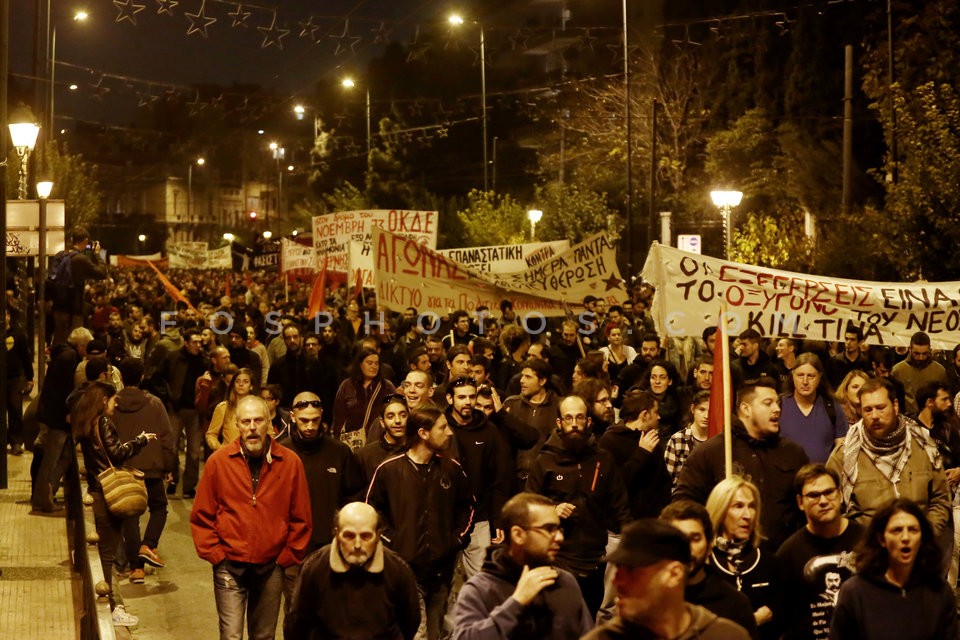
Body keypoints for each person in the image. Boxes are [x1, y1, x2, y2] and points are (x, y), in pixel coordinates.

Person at [190, 395, 312, 640]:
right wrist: (217, 556)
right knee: (231, 636)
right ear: (237, 425)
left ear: (270, 423)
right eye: (246, 422)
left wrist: (284, 559)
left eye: (258, 420)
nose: (252, 427)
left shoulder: (290, 463)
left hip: (271, 567)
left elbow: (301, 517)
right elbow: (202, 515)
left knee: (264, 637)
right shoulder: (219, 463)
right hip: (229, 567)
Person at [365, 407, 475, 640]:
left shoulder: (452, 469)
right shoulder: (389, 469)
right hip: (405, 567)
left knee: (436, 632)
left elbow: (468, 507)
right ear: (424, 433)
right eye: (443, 428)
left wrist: (456, 540)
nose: (450, 433)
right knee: (418, 633)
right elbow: (372, 511)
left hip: (441, 569)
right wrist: (393, 541)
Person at [674, 377, 809, 549]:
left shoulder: (793, 453)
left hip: (780, 559)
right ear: (746, 409)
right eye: (768, 403)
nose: (777, 409)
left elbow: (805, 506)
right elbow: (684, 506)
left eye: (777, 403)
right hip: (725, 559)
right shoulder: (711, 452)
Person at [526, 395, 630, 616]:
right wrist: (552, 511)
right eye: (569, 418)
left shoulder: (603, 459)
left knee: (587, 621)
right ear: (559, 423)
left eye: (580, 417)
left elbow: (620, 506)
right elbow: (528, 506)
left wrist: (633, 544)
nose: (574, 424)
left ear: (588, 421)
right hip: (557, 558)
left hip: (594, 560)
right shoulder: (544, 462)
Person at [452, 492, 594, 639]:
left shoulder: (565, 582)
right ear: (518, 535)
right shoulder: (480, 589)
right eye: (549, 529)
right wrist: (517, 602)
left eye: (559, 529)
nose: (559, 537)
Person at [73, 380, 157, 627]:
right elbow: (117, 454)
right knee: (107, 556)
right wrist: (140, 441)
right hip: (108, 494)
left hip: (96, 490)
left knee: (105, 554)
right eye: (112, 399)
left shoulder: (87, 423)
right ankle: (112, 609)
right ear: (103, 400)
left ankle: (111, 606)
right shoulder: (104, 422)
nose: (115, 403)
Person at [583, 519, 751, 640]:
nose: (616, 581)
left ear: (674, 574)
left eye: (632, 571)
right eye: (618, 569)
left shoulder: (726, 636)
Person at [826, 377, 951, 536]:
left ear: (895, 406)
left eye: (880, 407)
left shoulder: (924, 445)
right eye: (868, 410)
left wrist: (925, 535)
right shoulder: (844, 455)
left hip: (919, 546)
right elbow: (832, 509)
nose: (875, 415)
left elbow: (940, 499)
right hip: (867, 549)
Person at [284, 502, 421, 640]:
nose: (357, 545)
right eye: (349, 536)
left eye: (366, 536)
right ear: (336, 533)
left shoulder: (398, 570)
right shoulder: (315, 567)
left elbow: (410, 621)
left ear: (378, 534)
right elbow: (297, 623)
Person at [829, 498, 957, 640]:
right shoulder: (855, 592)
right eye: (897, 530)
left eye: (913, 530)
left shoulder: (939, 591)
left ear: (922, 538)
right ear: (881, 539)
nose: (906, 537)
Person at [776, 464, 863, 640]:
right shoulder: (788, 554)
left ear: (840, 495)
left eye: (829, 492)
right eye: (814, 495)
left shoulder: (867, 541)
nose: (823, 501)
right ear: (800, 502)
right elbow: (783, 618)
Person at [112, 357, 177, 585]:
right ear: (141, 377)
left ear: (120, 377)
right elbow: (167, 438)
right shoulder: (155, 403)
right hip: (151, 469)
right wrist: (169, 466)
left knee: (131, 517)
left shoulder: (113, 404)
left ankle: (136, 569)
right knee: (159, 508)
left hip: (124, 467)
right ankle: (148, 545)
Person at [659, 501, 759, 639]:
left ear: (709, 545)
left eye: (695, 539)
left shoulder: (735, 604)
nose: (685, 548)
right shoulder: (648, 601)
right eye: (676, 539)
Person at [705, 477, 783, 640]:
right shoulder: (704, 564)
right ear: (721, 510)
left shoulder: (770, 564)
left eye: (752, 507)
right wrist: (753, 620)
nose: (747, 515)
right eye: (738, 506)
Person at [33, 326, 94, 512]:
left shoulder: (65, 355)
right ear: (81, 345)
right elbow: (64, 390)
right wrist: (68, 413)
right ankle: (43, 499)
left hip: (55, 415)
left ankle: (48, 491)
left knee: (66, 456)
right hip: (58, 418)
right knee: (52, 458)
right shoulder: (69, 358)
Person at [779, 353, 848, 463]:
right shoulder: (779, 405)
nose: (805, 381)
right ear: (793, 375)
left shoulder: (831, 407)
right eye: (800, 375)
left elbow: (842, 449)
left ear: (819, 377)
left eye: (811, 376)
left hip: (821, 476)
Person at [332, 347, 397, 451]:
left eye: (376, 363)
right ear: (360, 364)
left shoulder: (387, 386)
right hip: (352, 442)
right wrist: (337, 440)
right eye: (370, 363)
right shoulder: (347, 385)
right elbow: (338, 417)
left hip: (379, 443)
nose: (374, 366)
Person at [890, 331, 947, 416]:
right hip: (906, 418)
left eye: (924, 353)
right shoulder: (897, 370)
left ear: (930, 350)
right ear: (910, 349)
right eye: (916, 353)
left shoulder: (940, 371)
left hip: (933, 418)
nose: (921, 358)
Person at [665, 390, 711, 490]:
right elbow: (667, 480)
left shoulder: (717, 441)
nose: (706, 416)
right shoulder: (677, 440)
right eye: (702, 410)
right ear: (692, 409)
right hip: (683, 497)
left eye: (710, 411)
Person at [205, 367, 259, 452]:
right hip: (229, 455)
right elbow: (211, 434)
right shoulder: (223, 407)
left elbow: (269, 434)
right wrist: (221, 450)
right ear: (233, 384)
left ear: (251, 386)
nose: (241, 384)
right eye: (237, 381)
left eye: (245, 381)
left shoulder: (259, 408)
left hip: (254, 456)